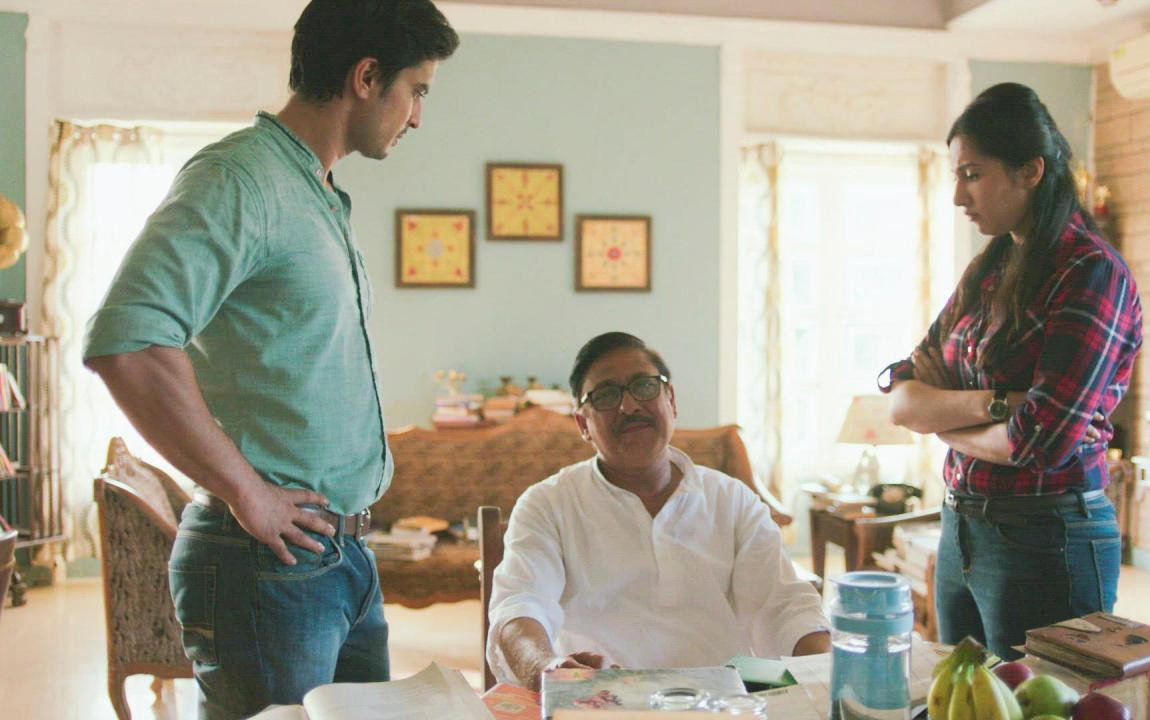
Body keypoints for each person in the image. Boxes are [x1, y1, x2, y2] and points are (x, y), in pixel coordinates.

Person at [82, 2, 459, 716]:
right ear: (366, 78)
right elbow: (128, 340)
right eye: (417, 91)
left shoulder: (316, 191)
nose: (417, 118)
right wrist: (248, 494)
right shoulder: (241, 178)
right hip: (267, 566)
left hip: (343, 556)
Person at [880, 83, 1143, 660]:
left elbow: (1039, 442)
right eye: (956, 176)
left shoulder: (1090, 273)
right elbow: (901, 395)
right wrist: (995, 405)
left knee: (1042, 697)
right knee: (963, 693)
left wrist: (939, 420)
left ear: (1030, 171)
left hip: (1048, 533)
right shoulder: (991, 265)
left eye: (972, 175)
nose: (958, 196)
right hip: (962, 525)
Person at [488, 332, 830, 690]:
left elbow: (784, 606)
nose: (629, 406)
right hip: (599, 697)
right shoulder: (547, 504)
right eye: (606, 395)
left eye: (644, 386)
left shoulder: (732, 501)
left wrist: (829, 674)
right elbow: (520, 606)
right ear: (583, 425)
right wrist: (545, 668)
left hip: (722, 700)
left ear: (671, 400)